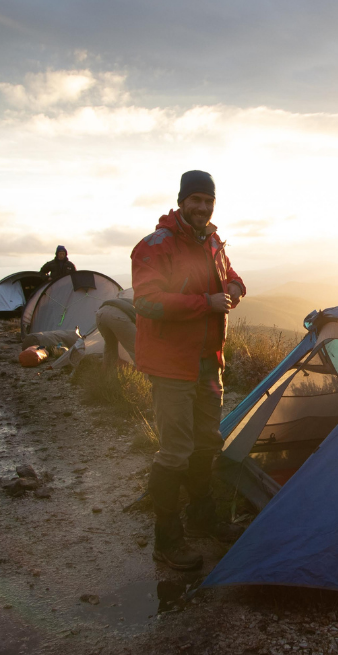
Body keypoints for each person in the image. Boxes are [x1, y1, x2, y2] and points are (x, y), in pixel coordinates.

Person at [131, 170, 246, 570]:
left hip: (207, 361)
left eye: (207, 200)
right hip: (171, 365)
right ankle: (167, 539)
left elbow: (228, 275)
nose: (201, 207)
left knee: (207, 442)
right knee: (176, 451)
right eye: (194, 200)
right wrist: (205, 303)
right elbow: (146, 302)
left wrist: (234, 288)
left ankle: (202, 516)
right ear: (181, 201)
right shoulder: (153, 246)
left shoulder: (212, 240)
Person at [94, 288, 136, 375]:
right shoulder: (143, 306)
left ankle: (105, 375)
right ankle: (148, 381)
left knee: (110, 346)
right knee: (136, 349)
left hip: (100, 314)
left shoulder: (127, 299)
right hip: (117, 316)